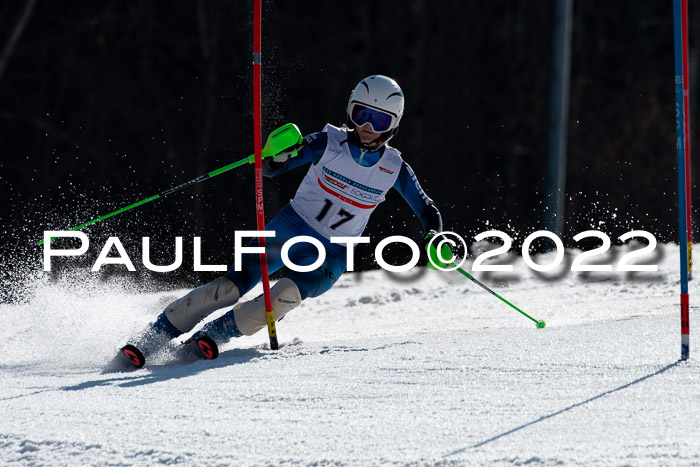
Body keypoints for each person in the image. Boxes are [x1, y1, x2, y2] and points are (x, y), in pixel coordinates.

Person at [118, 75, 444, 368]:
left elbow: (427, 209)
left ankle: (212, 337)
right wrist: (275, 156)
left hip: (331, 255)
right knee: (228, 288)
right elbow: (272, 168)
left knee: (282, 296)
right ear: (350, 111)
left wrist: (433, 235)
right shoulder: (328, 142)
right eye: (361, 115)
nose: (368, 127)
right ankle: (152, 337)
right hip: (290, 227)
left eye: (378, 119)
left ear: (393, 124)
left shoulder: (394, 166)